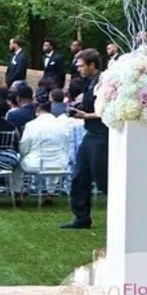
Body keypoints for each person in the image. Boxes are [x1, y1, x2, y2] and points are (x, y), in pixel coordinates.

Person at [63, 49, 108, 230]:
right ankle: (81, 217)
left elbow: (107, 112)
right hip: (90, 135)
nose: (78, 69)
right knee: (80, 175)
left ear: (92, 65)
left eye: (81, 66)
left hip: (102, 136)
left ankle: (123, 214)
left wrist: (85, 115)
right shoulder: (90, 82)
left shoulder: (105, 83)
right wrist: (78, 109)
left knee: (103, 179)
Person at [19, 102, 71, 204]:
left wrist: (24, 153)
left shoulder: (31, 125)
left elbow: (24, 147)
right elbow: (66, 146)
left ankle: (18, 191)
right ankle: (50, 192)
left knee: (17, 159)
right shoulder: (62, 125)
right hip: (58, 164)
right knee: (55, 158)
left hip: (35, 164)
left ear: (38, 111)